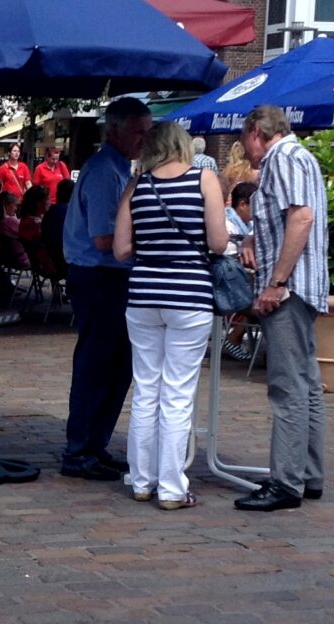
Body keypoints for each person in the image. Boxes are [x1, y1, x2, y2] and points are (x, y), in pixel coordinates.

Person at [112, 121, 228, 510]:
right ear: (182, 145)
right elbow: (217, 241)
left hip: (143, 295)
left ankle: (141, 481)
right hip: (189, 295)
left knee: (146, 389)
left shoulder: (136, 186)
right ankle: (172, 488)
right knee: (178, 393)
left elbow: (121, 251)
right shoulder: (204, 179)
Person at [235, 105, 329, 512]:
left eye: (244, 144)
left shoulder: (283, 158)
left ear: (257, 131)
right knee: (306, 382)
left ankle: (287, 482)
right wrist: (255, 238)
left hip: (290, 290)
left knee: (288, 386)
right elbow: (291, 217)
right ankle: (306, 474)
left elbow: (301, 218)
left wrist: (277, 282)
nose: (246, 154)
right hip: (303, 286)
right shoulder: (298, 156)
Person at [60, 97, 152, 481]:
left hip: (111, 275)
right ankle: (79, 449)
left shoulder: (119, 170)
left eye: (148, 132)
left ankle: (95, 444)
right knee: (97, 365)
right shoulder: (104, 173)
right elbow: (103, 238)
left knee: (117, 367)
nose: (145, 140)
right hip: (99, 276)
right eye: (139, 131)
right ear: (115, 129)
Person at [222, 181, 258, 362]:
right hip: (229, 284)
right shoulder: (227, 224)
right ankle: (233, 339)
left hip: (245, 282)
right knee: (265, 306)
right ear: (243, 204)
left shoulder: (250, 227)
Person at [221, 140, 258, 206]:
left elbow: (223, 187)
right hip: (247, 203)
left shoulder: (228, 169)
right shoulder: (251, 170)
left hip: (231, 201)